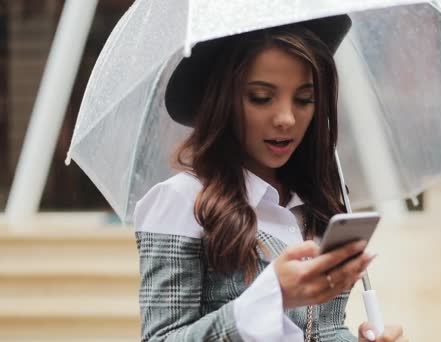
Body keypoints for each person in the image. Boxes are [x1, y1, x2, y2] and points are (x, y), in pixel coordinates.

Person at [134, 15, 406, 342]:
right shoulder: (182, 201)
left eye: (304, 99)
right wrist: (271, 297)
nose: (286, 119)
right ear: (224, 100)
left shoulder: (317, 204)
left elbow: (323, 331)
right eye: (262, 97)